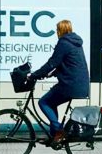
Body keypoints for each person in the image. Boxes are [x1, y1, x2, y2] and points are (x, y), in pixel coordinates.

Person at [29, 19, 89, 147]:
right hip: (80, 84)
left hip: (70, 84)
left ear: (61, 30)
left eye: (57, 30)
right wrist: (51, 73)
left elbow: (52, 62)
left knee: (44, 102)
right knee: (52, 102)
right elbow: (69, 64)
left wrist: (34, 75)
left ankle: (59, 130)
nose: (56, 33)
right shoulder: (76, 43)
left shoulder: (64, 43)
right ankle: (54, 136)